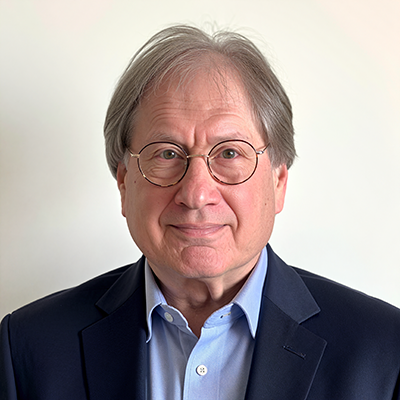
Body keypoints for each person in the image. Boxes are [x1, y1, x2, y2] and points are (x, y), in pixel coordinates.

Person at [1, 24, 399, 400]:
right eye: (166, 154)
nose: (195, 193)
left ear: (278, 183)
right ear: (124, 184)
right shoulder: (29, 347)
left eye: (229, 153)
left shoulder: (385, 350)